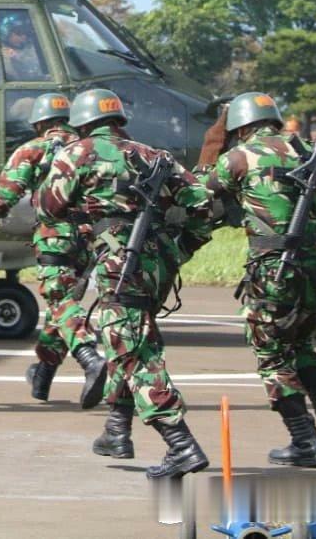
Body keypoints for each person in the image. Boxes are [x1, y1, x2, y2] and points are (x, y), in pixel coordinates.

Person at [39, 88, 215, 479]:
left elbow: (47, 206)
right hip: (155, 263)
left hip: (119, 261)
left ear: (82, 123)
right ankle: (117, 430)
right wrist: (182, 246)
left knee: (132, 352)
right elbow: (203, 202)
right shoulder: (154, 155)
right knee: (132, 340)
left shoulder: (77, 153)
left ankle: (181, 445)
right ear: (120, 120)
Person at [198, 92, 316, 466]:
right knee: (301, 344)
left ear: (239, 126)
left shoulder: (239, 157)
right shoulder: (311, 152)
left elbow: (198, 193)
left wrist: (212, 146)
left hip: (273, 267)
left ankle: (304, 441)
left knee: (271, 354)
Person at [0, 92, 107, 407]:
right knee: (61, 308)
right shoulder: (90, 149)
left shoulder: (32, 149)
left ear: (39, 123)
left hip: (55, 237)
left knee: (61, 302)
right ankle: (43, 376)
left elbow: (7, 194)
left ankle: (90, 358)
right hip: (91, 239)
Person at [0, 12, 45, 80]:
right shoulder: (0, 52)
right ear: (7, 32)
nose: (24, 36)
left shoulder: (33, 46)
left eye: (26, 32)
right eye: (19, 32)